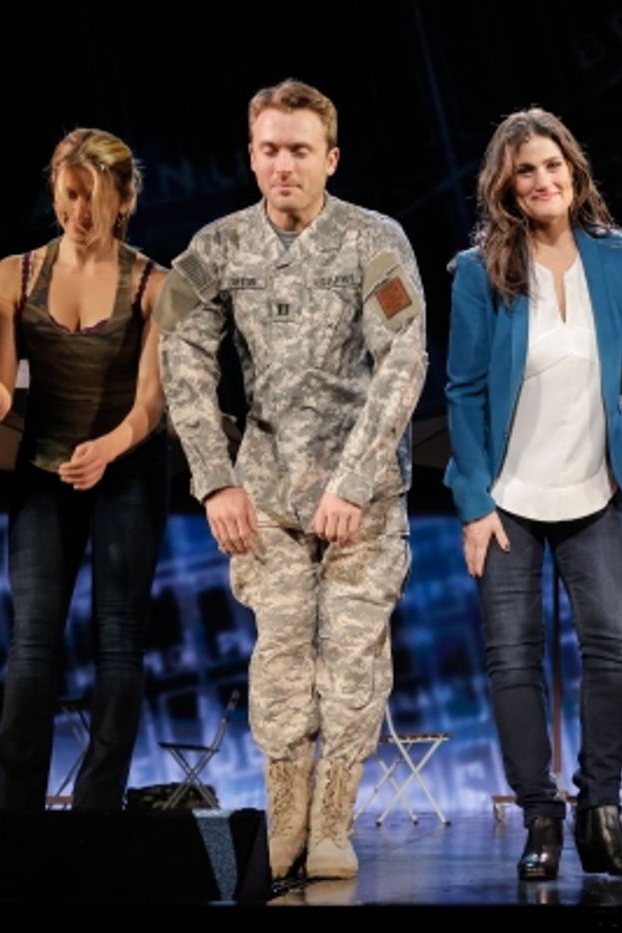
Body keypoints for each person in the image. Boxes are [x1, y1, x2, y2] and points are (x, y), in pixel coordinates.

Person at [158, 79, 426, 882]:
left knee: (351, 659)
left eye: (300, 151)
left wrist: (353, 479)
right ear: (251, 155)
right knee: (279, 658)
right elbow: (180, 350)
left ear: (330, 158)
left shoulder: (375, 241)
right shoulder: (217, 248)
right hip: (264, 496)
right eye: (270, 149)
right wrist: (214, 479)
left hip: (362, 497)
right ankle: (285, 820)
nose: (284, 165)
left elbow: (403, 358)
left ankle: (335, 823)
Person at [444, 107, 622, 881]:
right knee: (513, 657)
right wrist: (475, 504)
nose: (543, 180)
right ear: (508, 189)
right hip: (509, 496)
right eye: (526, 171)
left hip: (596, 485)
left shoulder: (621, 258)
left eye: (554, 165)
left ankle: (600, 812)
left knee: (614, 646)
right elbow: (463, 391)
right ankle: (540, 815)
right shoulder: (479, 271)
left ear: (575, 173)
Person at [0, 129, 169, 812]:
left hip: (128, 465)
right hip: (45, 466)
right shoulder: (14, 275)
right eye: (70, 195)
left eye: (96, 199)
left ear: (125, 202)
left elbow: (154, 400)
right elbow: (1, 380)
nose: (80, 213)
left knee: (118, 633)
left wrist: (109, 447)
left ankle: (96, 806)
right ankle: (15, 812)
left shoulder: (153, 282)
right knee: (32, 636)